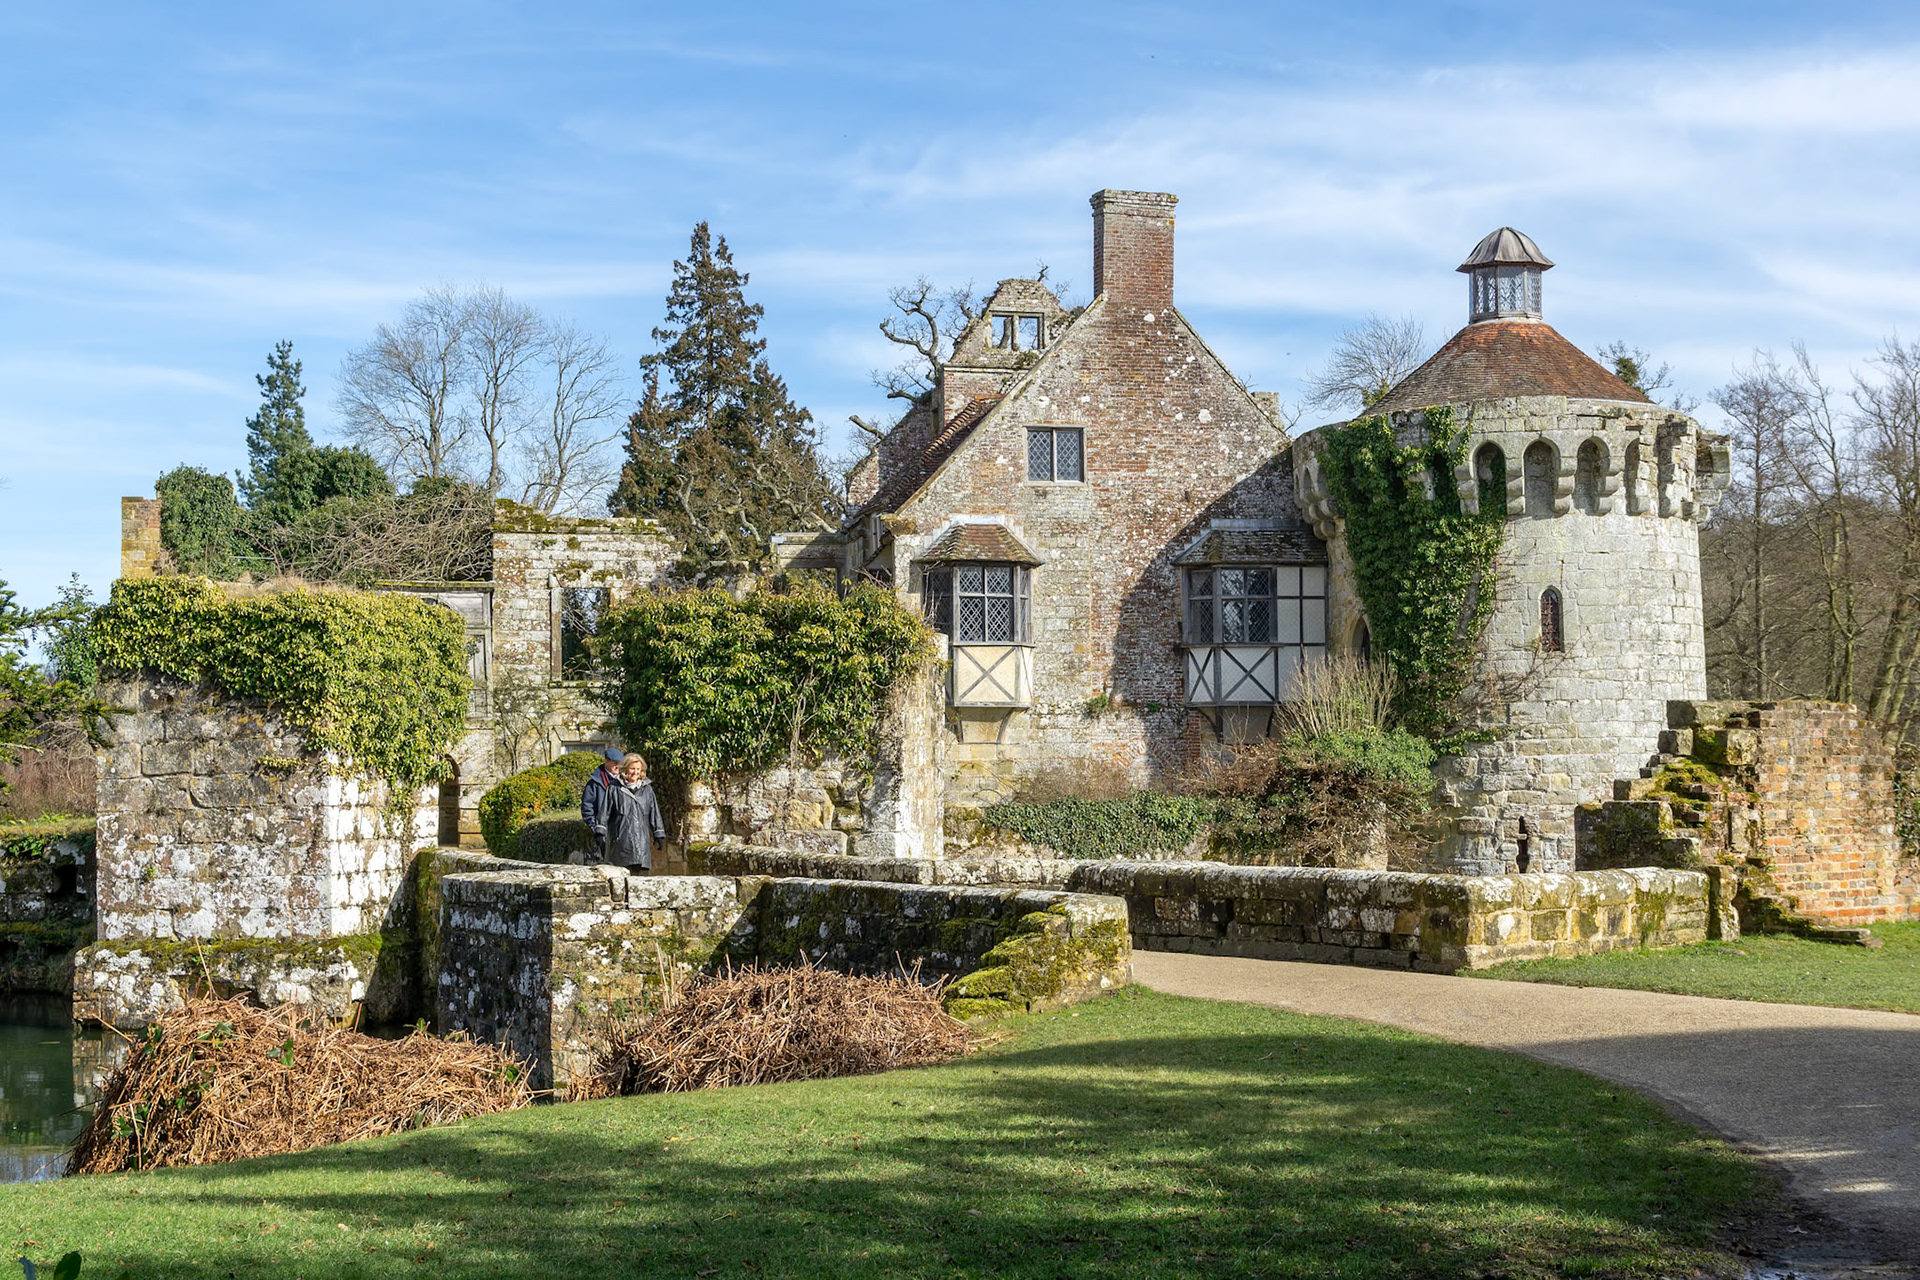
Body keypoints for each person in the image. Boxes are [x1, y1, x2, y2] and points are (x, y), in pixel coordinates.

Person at [604, 753, 666, 872]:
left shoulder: (647, 789)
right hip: (621, 842)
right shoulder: (614, 788)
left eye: (638, 769)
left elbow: (654, 812)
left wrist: (658, 834)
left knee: (639, 883)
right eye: (632, 768)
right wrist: (600, 832)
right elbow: (605, 812)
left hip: (642, 845)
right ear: (625, 769)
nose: (635, 772)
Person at [581, 746, 624, 863]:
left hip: (621, 829)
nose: (617, 766)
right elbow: (587, 807)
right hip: (602, 830)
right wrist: (594, 827)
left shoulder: (624, 780)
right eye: (615, 763)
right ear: (606, 762)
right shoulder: (594, 782)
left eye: (620, 763)